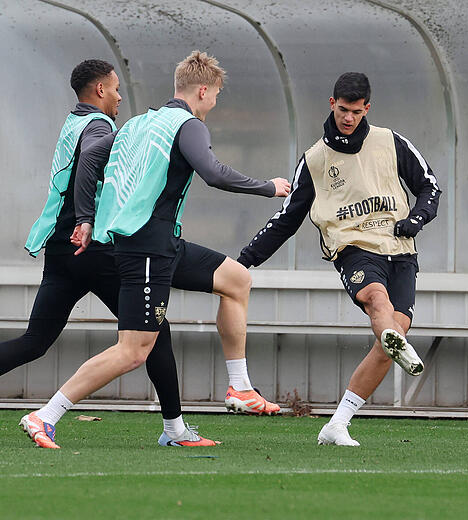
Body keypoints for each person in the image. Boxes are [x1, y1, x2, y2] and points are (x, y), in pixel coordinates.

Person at [20, 51, 291, 449]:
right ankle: (45, 415)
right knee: (133, 350)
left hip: (163, 244)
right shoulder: (189, 124)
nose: (214, 104)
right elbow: (213, 173)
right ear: (203, 90)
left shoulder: (140, 122)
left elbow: (92, 157)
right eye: (215, 95)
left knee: (237, 279)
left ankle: (239, 388)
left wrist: (85, 218)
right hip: (147, 250)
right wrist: (268, 186)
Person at [238, 72, 441, 447]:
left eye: (356, 111)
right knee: (376, 299)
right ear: (332, 104)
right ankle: (396, 342)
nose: (349, 118)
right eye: (343, 109)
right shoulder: (315, 159)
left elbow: (430, 185)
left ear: (367, 109)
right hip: (352, 248)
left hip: (400, 248)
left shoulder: (390, 142)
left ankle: (338, 423)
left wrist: (416, 219)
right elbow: (286, 220)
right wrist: (243, 261)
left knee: (388, 337)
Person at [12, 59, 195, 448]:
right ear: (99, 90)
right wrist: (87, 219)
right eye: (115, 89)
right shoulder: (100, 126)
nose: (118, 97)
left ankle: (175, 428)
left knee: (34, 341)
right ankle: (175, 430)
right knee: (152, 330)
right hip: (90, 249)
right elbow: (94, 163)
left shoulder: (72, 122)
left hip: (59, 251)